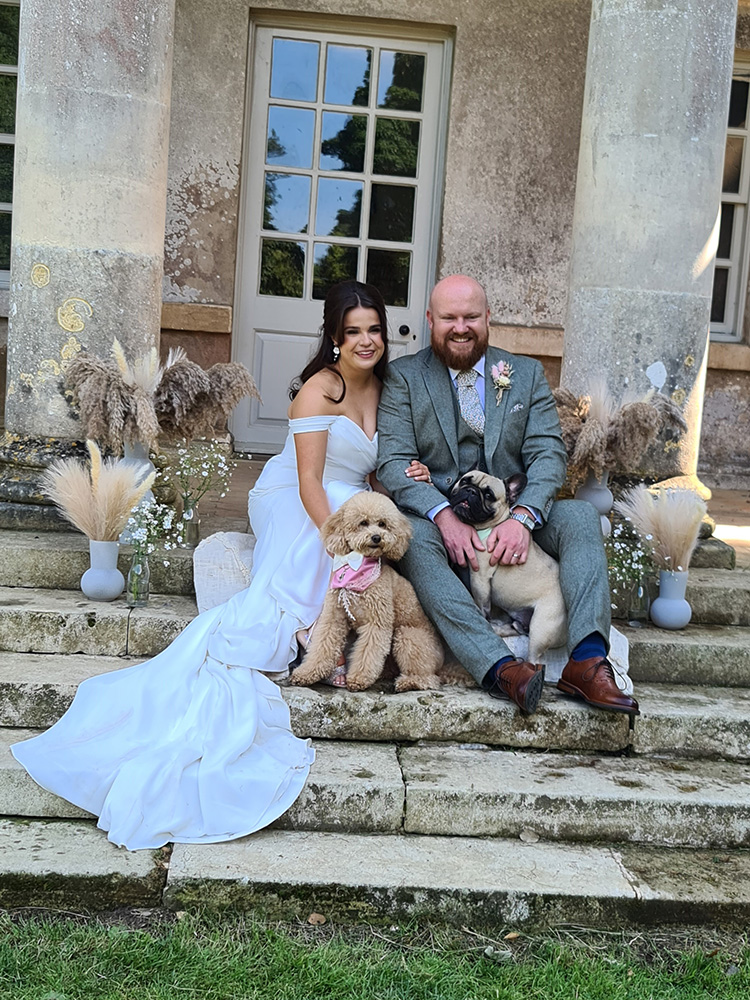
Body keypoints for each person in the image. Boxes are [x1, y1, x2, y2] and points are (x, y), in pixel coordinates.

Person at [12, 280, 428, 851]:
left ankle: (336, 620)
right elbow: (309, 480)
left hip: (353, 497)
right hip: (292, 496)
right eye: (352, 331)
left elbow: (376, 469)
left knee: (359, 518)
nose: (365, 341)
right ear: (334, 336)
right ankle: (309, 628)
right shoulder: (317, 391)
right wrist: (343, 543)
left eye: (374, 330)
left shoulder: (389, 390)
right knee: (320, 547)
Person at [376, 274, 639, 717]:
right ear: (429, 320)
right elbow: (393, 460)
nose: (461, 327)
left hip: (511, 507)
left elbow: (548, 454)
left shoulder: (525, 373)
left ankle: (589, 660)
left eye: (471, 317)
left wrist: (523, 518)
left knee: (578, 518)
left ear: (488, 318)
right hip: (439, 512)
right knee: (415, 541)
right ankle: (501, 669)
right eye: (449, 318)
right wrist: (441, 513)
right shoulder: (404, 377)